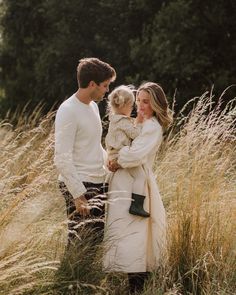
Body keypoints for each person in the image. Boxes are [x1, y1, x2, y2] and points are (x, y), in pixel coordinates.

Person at [103, 82, 173, 294]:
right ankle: (128, 283)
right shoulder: (140, 122)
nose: (140, 106)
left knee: (136, 233)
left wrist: (117, 159)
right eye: (139, 101)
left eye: (146, 102)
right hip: (123, 183)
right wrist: (112, 158)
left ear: (155, 104)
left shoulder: (153, 127)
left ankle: (136, 286)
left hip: (136, 185)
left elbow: (135, 155)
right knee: (125, 232)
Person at [54, 57, 116, 246]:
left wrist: (110, 161)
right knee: (79, 245)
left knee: (95, 242)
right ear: (92, 84)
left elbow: (93, 144)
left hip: (97, 182)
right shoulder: (68, 110)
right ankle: (71, 277)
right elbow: (62, 157)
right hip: (80, 185)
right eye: (105, 85)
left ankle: (86, 277)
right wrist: (78, 195)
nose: (107, 90)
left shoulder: (93, 107)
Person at [105, 85, 150, 218]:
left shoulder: (113, 120)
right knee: (141, 176)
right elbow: (136, 134)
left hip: (113, 155)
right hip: (121, 155)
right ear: (125, 105)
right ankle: (136, 205)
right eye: (131, 106)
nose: (132, 109)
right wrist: (140, 122)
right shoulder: (123, 121)